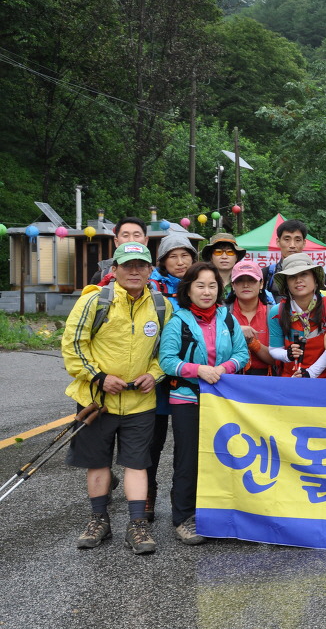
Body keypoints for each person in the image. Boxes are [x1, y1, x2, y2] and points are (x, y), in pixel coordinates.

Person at [62, 242, 171, 555]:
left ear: (150, 270)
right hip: (97, 401)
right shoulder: (94, 300)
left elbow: (166, 350)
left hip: (140, 402)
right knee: (97, 462)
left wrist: (155, 374)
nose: (134, 271)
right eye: (127, 265)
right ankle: (99, 518)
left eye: (141, 265)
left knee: (137, 463)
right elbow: (73, 345)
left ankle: (137, 524)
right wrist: (99, 377)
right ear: (115, 270)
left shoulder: (162, 305)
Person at [158, 262, 248, 545]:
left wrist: (223, 368)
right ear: (188, 290)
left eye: (212, 286)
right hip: (187, 398)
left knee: (222, 455)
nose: (207, 292)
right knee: (189, 457)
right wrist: (198, 370)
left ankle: (218, 513)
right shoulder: (178, 321)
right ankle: (183, 517)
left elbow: (242, 354)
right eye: (200, 286)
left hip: (221, 399)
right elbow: (167, 361)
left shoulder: (227, 318)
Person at [145, 233, 197, 522]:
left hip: (187, 376)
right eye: (173, 256)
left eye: (185, 255)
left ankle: (182, 496)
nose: (180, 262)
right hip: (155, 373)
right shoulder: (151, 287)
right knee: (152, 440)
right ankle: (148, 493)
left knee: (186, 442)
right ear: (162, 261)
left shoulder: (199, 285)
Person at [269, 253, 326, 378]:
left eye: (304, 274)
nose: (298, 280)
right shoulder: (277, 311)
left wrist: (310, 373)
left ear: (315, 278)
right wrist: (287, 355)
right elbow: (274, 349)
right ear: (286, 283)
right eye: (292, 276)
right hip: (290, 380)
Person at [225, 260, 275, 376]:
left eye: (252, 280)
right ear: (233, 285)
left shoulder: (273, 313)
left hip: (265, 379)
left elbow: (276, 360)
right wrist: (236, 330)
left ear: (261, 284)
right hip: (230, 378)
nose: (246, 285)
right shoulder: (222, 313)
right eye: (240, 280)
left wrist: (252, 342)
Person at [90, 216, 149, 285]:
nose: (131, 240)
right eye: (125, 235)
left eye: (136, 235)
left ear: (146, 241)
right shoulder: (101, 276)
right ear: (116, 241)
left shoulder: (157, 277)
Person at [263, 219, 309, 300]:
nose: (292, 245)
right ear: (278, 242)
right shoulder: (266, 274)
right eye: (287, 239)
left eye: (297, 240)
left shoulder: (315, 274)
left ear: (304, 243)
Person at [200, 232, 246, 299]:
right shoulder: (201, 280)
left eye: (230, 252)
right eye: (218, 252)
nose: (224, 257)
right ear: (211, 257)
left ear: (236, 257)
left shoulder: (244, 281)